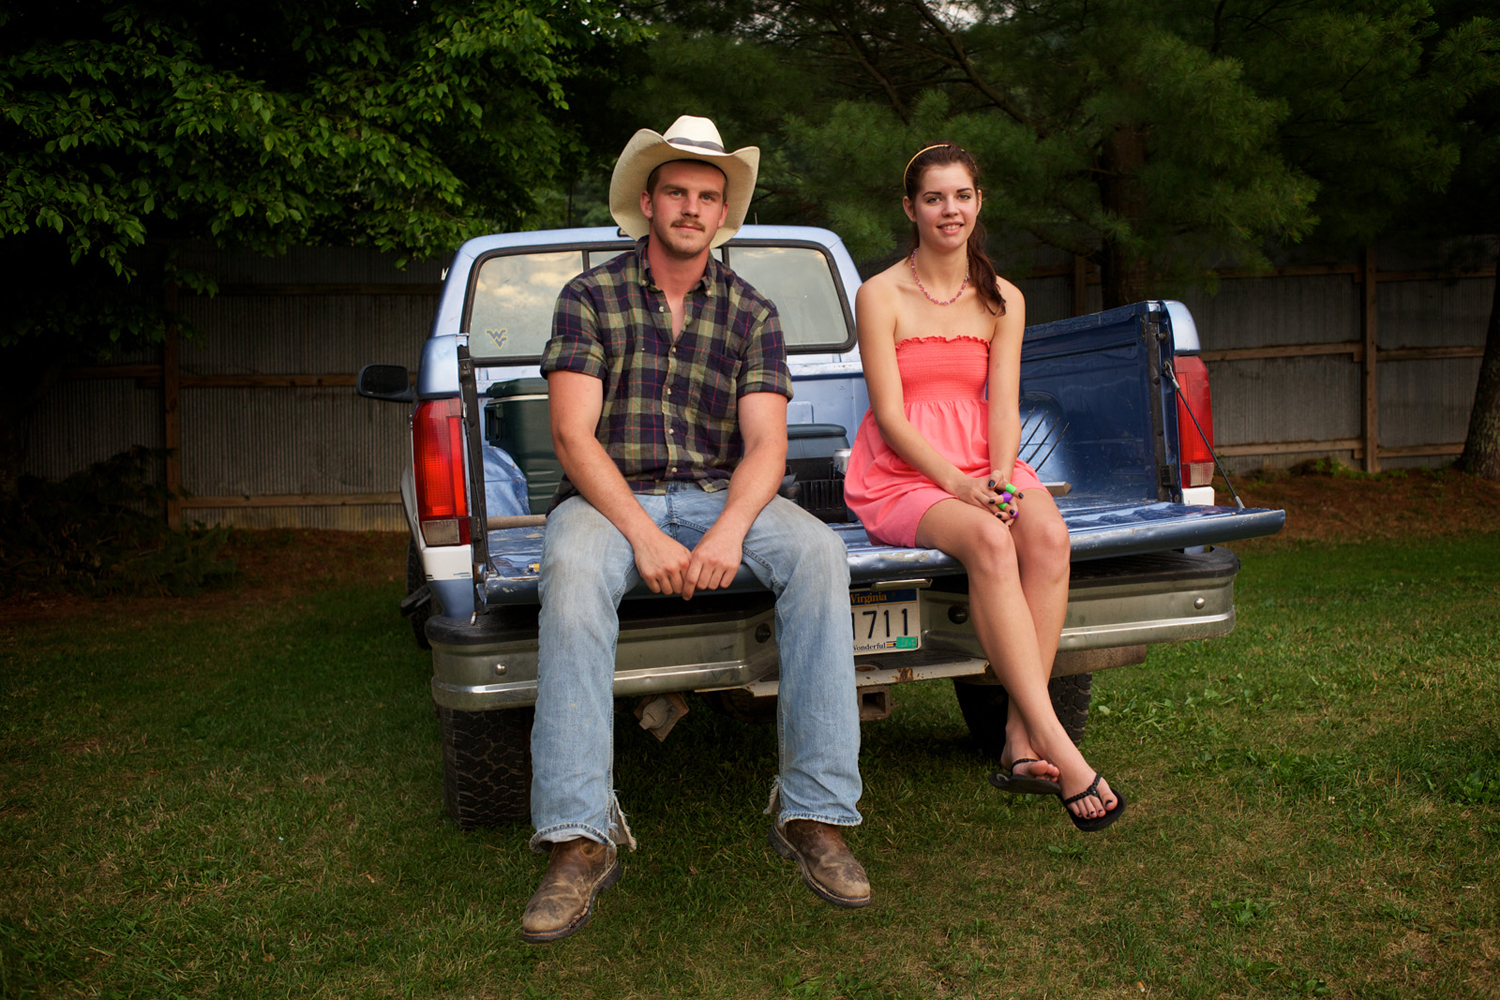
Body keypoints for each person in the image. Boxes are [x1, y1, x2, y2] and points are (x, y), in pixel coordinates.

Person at [521, 116, 869, 945]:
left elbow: (767, 445)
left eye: (707, 196)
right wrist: (643, 535)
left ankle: (815, 817)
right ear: (647, 202)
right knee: (569, 575)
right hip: (612, 500)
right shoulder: (590, 298)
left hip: (723, 495)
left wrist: (725, 534)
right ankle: (578, 840)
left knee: (821, 552)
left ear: (723, 214)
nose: (691, 206)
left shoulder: (752, 310)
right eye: (676, 190)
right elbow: (573, 437)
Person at [843, 142, 1126, 833]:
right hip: (908, 472)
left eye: (962, 195)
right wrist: (958, 486)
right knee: (989, 544)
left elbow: (1004, 405)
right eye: (934, 198)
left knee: (1048, 535)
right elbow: (888, 415)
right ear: (911, 209)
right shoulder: (880, 294)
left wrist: (999, 475)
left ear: (979, 203)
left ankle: (1017, 739)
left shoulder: (1003, 299)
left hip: (986, 460)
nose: (950, 210)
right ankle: (1052, 739)